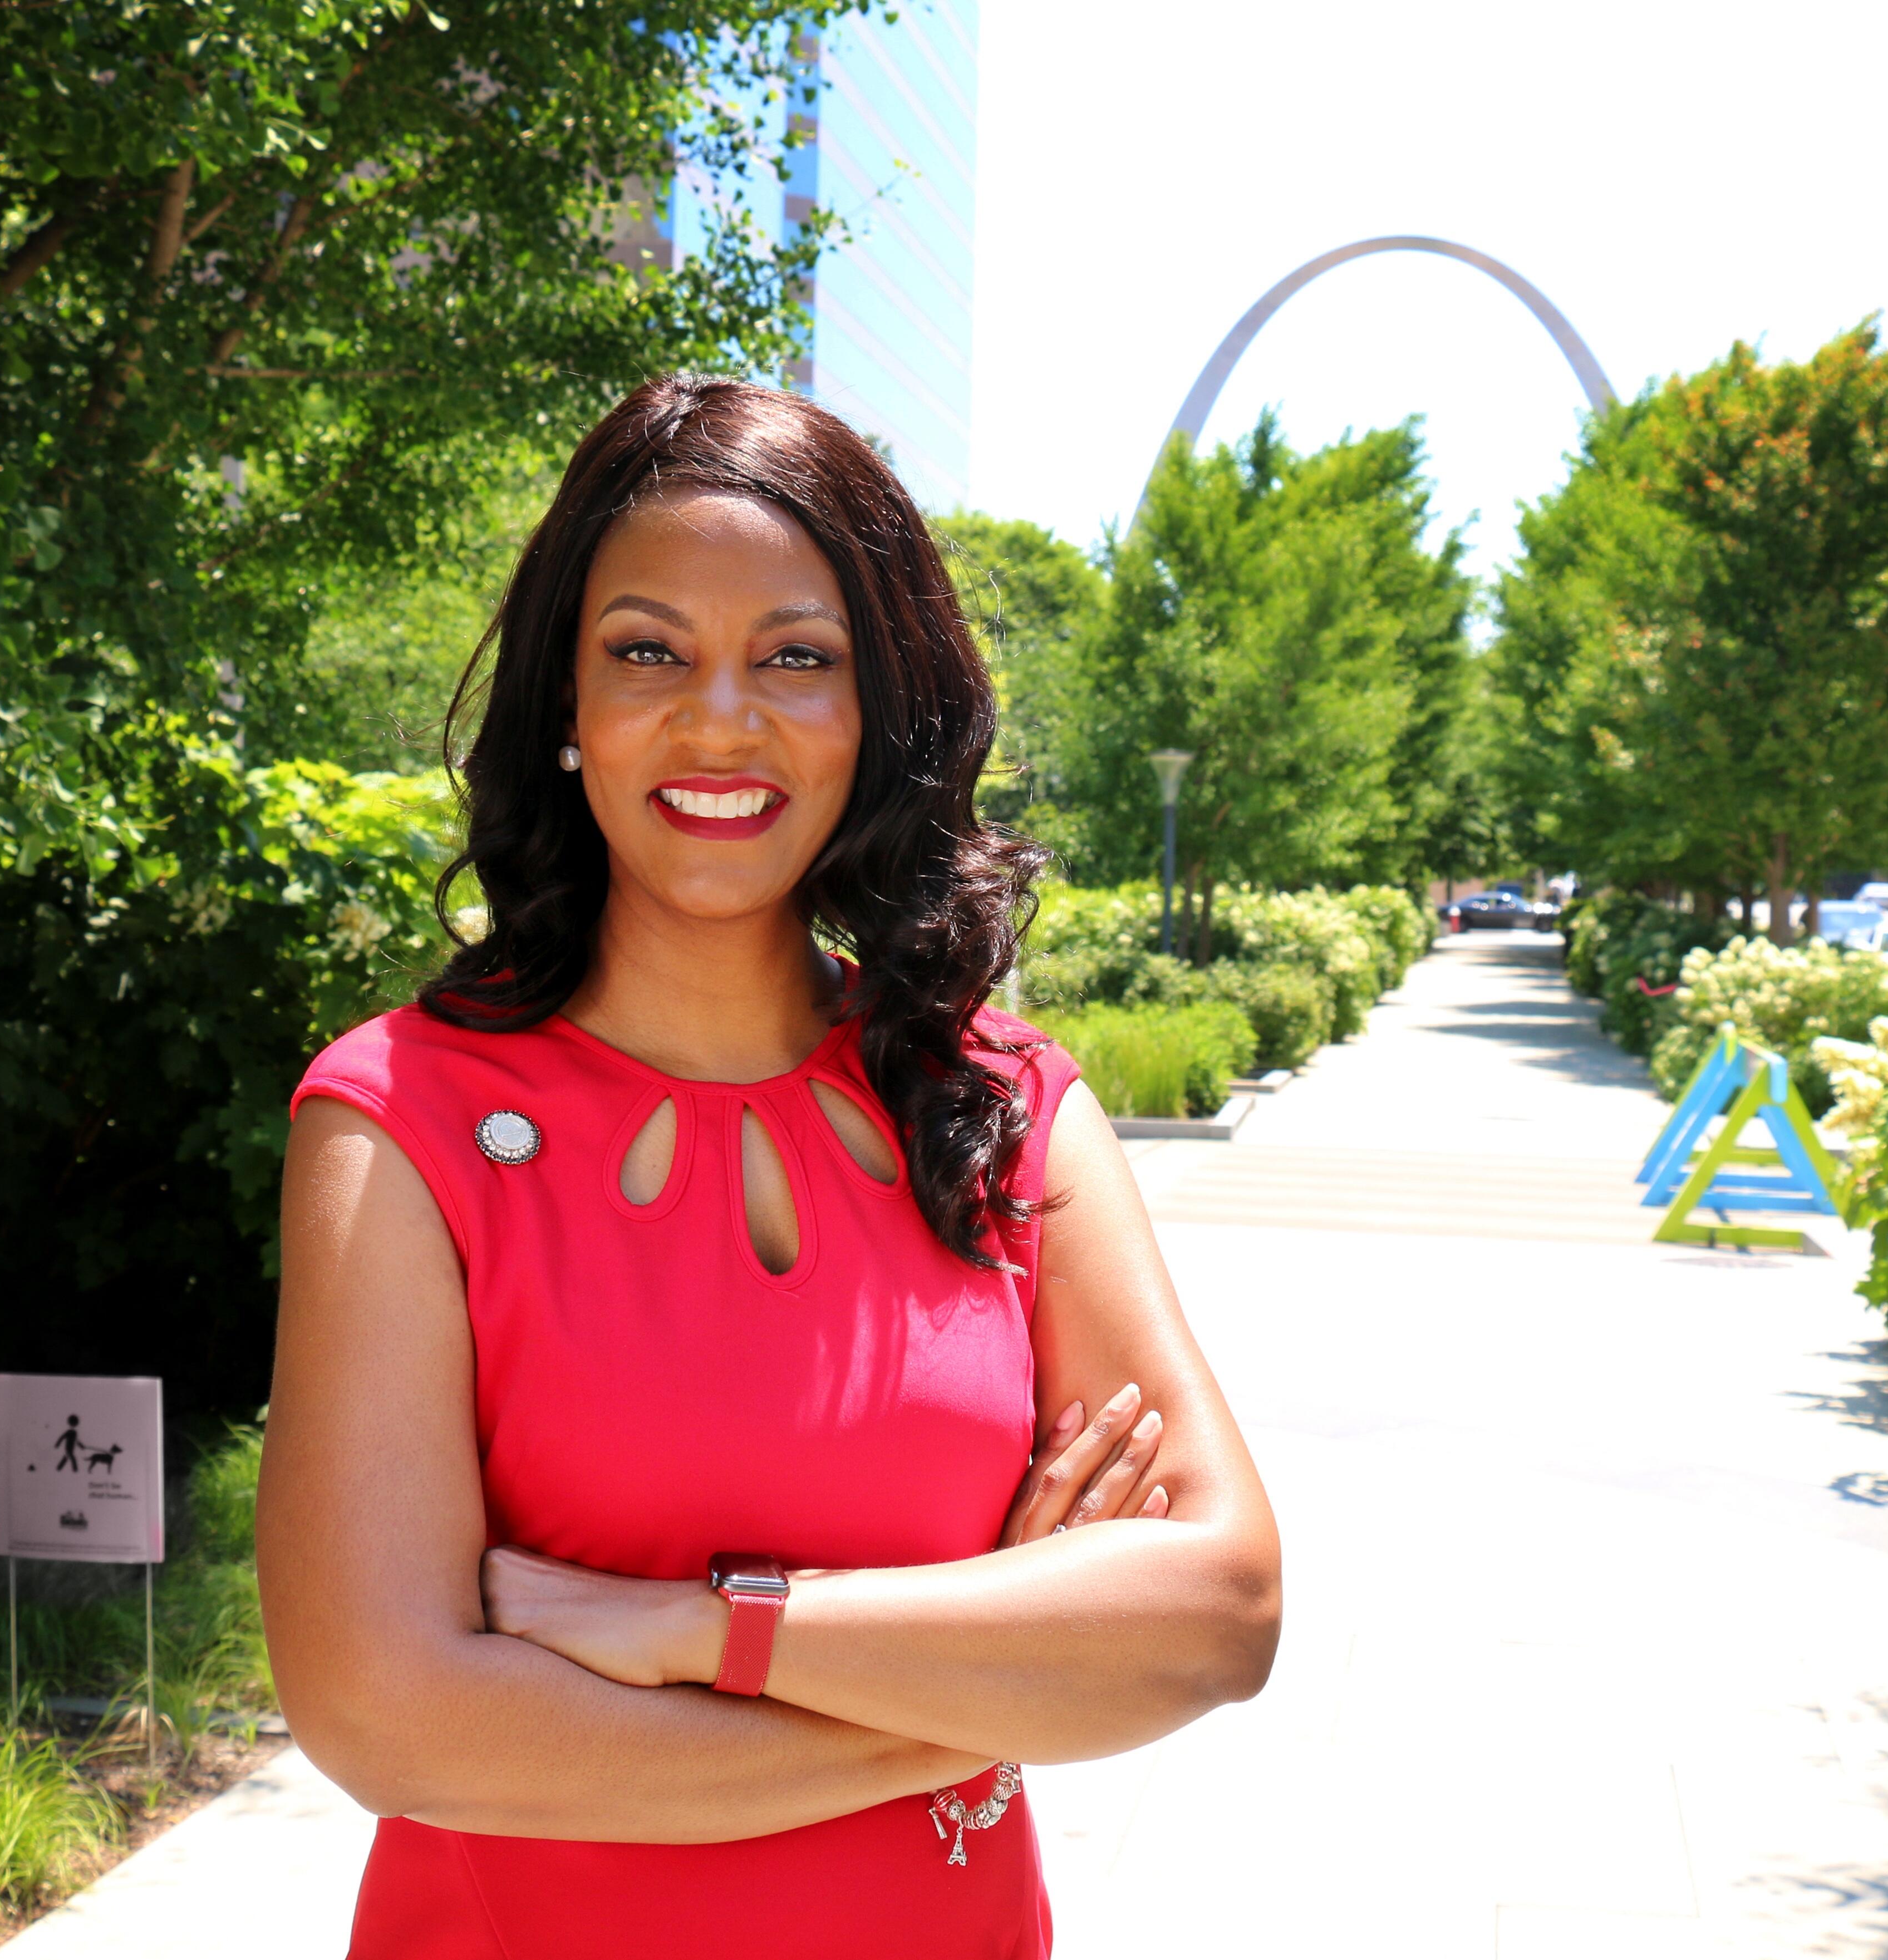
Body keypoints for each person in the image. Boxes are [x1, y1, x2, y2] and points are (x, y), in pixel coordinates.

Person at [259, 375, 1281, 1960]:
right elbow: (390, 1718)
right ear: (566, 710)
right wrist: (966, 1693)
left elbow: (1215, 1611)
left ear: (879, 709)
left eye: (795, 657)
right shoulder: (401, 1120)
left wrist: (688, 1630)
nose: (718, 718)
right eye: (647, 651)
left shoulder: (1006, 1109)